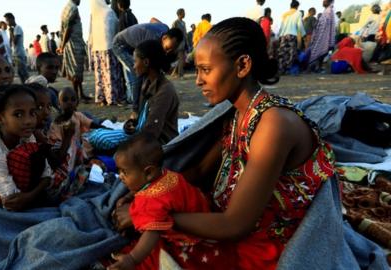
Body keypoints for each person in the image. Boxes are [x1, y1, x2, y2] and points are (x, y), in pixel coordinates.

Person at [113, 17, 336, 269]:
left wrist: (148, 215)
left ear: (242, 65)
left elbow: (235, 225)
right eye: (197, 70)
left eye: (206, 70)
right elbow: (198, 172)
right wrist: (145, 192)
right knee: (135, 247)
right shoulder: (237, 114)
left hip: (259, 243)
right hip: (222, 220)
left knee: (146, 254)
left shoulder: (273, 125)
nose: (198, 80)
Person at [109, 133, 211, 270]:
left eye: (124, 172)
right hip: (203, 212)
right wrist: (129, 197)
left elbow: (152, 232)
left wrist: (133, 258)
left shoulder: (150, 201)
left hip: (190, 237)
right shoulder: (167, 175)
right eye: (119, 171)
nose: (120, 177)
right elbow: (143, 187)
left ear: (149, 172)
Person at [0, 84, 52, 211]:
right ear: (0, 118)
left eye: (32, 113)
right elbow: (12, 200)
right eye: (18, 115)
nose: (28, 120)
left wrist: (29, 196)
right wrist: (36, 191)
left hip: (22, 192)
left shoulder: (27, 136)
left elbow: (47, 173)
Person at [87, 40, 179, 152]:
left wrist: (129, 146)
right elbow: (140, 116)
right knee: (96, 135)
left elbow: (151, 132)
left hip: (158, 143)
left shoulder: (165, 91)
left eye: (135, 61)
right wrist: (130, 124)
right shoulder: (147, 83)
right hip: (143, 134)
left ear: (146, 62)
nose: (134, 66)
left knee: (101, 139)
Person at [112, 24, 183, 112]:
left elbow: (153, 20)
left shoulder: (165, 30)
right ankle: (135, 109)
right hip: (121, 45)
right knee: (138, 75)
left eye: (171, 50)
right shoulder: (151, 39)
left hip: (134, 44)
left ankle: (147, 98)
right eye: (167, 48)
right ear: (164, 38)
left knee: (148, 71)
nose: (167, 52)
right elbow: (143, 62)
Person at [89, 0, 124, 106]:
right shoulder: (109, 12)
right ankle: (111, 98)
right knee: (110, 75)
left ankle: (101, 98)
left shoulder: (94, 15)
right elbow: (116, 30)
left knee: (100, 76)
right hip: (108, 48)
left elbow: (90, 34)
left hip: (97, 50)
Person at [59, 0, 92, 103]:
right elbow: (68, 28)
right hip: (73, 44)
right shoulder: (73, 8)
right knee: (75, 71)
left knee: (78, 71)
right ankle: (76, 97)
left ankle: (81, 94)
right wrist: (62, 46)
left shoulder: (67, 7)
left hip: (73, 42)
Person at [277, 0, 306, 74]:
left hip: (283, 35)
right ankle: (288, 69)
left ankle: (281, 69)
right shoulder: (298, 13)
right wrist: (303, 35)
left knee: (283, 53)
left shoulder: (285, 14)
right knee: (291, 53)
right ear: (297, 6)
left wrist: (279, 35)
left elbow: (282, 25)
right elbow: (299, 25)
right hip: (292, 35)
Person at [308, 0, 336, 72]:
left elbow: (328, 26)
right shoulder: (326, 11)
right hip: (320, 36)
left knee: (321, 52)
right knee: (318, 52)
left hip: (324, 37)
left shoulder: (329, 11)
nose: (323, 2)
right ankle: (317, 67)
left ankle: (318, 67)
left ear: (329, 2)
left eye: (325, 1)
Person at [4, 12, 29, 83]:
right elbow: (10, 43)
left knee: (23, 73)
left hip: (19, 54)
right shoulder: (13, 29)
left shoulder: (18, 28)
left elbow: (15, 42)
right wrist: (10, 33)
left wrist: (11, 33)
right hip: (16, 54)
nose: (7, 22)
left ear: (12, 19)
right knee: (20, 73)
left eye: (7, 20)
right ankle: (25, 86)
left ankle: (29, 87)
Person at [171, 8, 188, 79]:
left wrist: (187, 43)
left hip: (183, 43)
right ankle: (180, 75)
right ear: (180, 14)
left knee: (181, 59)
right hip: (178, 43)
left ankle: (174, 72)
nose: (185, 14)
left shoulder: (184, 23)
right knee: (181, 59)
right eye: (183, 12)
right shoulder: (175, 22)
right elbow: (172, 32)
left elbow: (185, 33)